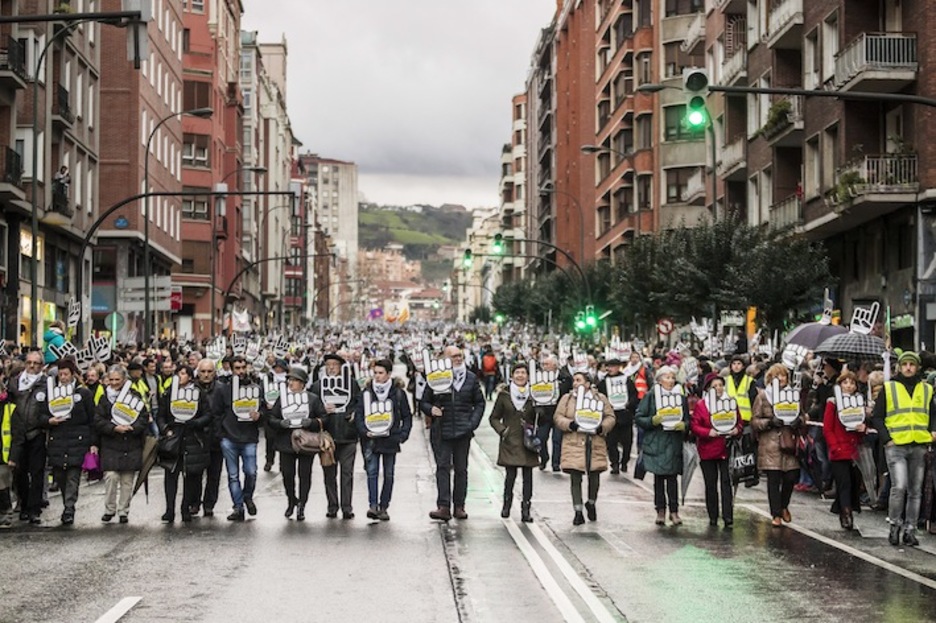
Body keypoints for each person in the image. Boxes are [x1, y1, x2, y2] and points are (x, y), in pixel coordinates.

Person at [871, 351, 936, 546]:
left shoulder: (926, 389)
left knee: (916, 490)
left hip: (918, 445)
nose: (908, 367)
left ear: (917, 367)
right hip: (896, 445)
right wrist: (887, 439)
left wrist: (933, 430)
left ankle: (910, 530)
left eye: (912, 364)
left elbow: (932, 413)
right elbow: (877, 416)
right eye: (905, 364)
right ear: (899, 366)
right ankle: (895, 526)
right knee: (900, 487)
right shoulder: (889, 388)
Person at [421, 345, 485, 521]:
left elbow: (480, 403)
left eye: (460, 356)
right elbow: (424, 402)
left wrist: (472, 423)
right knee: (442, 468)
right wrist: (431, 409)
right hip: (442, 430)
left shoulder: (471, 378)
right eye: (454, 356)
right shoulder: (436, 378)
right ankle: (443, 506)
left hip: (463, 431)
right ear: (445, 359)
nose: (458, 358)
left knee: (461, 469)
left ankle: (459, 506)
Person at [38, 359, 96, 525]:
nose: (62, 377)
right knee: (60, 475)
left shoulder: (83, 393)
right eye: (60, 374)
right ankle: (66, 501)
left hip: (78, 440)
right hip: (57, 440)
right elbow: (41, 416)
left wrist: (92, 442)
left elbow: (92, 419)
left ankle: (69, 508)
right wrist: (50, 421)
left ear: (73, 375)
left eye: (66, 374)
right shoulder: (51, 393)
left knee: (73, 475)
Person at [555, 371, 615, 525]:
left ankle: (591, 502)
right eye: (574, 380)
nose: (575, 383)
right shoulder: (567, 399)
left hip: (594, 442)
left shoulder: (600, 399)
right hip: (574, 441)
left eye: (579, 380)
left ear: (588, 384)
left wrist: (602, 427)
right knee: (575, 476)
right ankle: (578, 510)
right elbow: (558, 417)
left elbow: (610, 416)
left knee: (594, 475)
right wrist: (570, 424)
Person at [355, 359, 412, 521]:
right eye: (375, 373)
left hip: (391, 440)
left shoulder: (398, 393)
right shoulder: (366, 393)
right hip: (371, 440)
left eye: (381, 373)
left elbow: (407, 416)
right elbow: (359, 415)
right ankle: (373, 505)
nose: (377, 376)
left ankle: (384, 506)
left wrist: (402, 435)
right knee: (372, 472)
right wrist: (365, 432)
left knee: (389, 474)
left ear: (388, 374)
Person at [267, 366, 327, 521]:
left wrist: (311, 422)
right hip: (286, 442)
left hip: (306, 443)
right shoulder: (283, 399)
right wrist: (281, 423)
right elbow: (271, 418)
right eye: (290, 380)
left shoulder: (313, 399)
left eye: (295, 380)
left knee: (304, 474)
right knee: (287, 474)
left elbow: (324, 418)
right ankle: (291, 500)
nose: (291, 383)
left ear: (303, 384)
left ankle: (302, 505)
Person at [210, 355, 263, 521]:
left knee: (251, 472)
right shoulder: (223, 390)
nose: (240, 372)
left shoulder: (256, 388)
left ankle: (247, 496)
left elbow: (265, 412)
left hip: (249, 438)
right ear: (231, 369)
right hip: (229, 438)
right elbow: (216, 413)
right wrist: (221, 435)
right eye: (237, 368)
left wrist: (259, 416)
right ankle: (238, 507)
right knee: (233, 475)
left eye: (242, 368)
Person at [156, 365, 211, 523]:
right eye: (178, 373)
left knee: (191, 477)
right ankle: (169, 510)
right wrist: (165, 429)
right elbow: (161, 415)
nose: (180, 376)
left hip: (192, 438)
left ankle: (185, 507)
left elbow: (208, 415)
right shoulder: (168, 393)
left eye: (183, 374)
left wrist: (196, 423)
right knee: (170, 476)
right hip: (173, 439)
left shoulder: (198, 393)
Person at [636, 365, 689, 526]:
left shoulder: (680, 397)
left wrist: (684, 426)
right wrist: (652, 421)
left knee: (672, 478)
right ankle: (660, 510)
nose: (671, 381)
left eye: (673, 377)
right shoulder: (651, 396)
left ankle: (674, 511)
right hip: (657, 442)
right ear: (659, 380)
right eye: (667, 377)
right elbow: (639, 417)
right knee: (659, 478)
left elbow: (687, 419)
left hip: (673, 442)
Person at [752, 363, 804, 527]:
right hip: (771, 442)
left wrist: (798, 421)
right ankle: (776, 513)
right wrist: (769, 422)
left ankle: (783, 505)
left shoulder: (793, 396)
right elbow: (755, 420)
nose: (781, 379)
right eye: (777, 376)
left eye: (783, 375)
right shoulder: (763, 396)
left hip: (789, 440)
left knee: (790, 476)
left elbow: (803, 416)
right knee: (773, 479)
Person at [94, 365, 147, 524]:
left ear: (124, 380)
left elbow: (143, 417)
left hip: (130, 443)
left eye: (117, 380)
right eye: (111, 380)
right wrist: (113, 428)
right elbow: (97, 420)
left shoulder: (135, 396)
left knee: (127, 480)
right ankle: (109, 509)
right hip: (111, 443)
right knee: (111, 477)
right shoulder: (103, 398)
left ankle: (123, 511)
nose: (114, 383)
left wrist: (133, 427)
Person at [313, 353, 361, 519]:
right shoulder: (318, 386)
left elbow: (360, 404)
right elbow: (311, 408)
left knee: (347, 474)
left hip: (348, 436)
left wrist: (353, 415)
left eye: (334, 364)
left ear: (341, 367)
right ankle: (332, 506)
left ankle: (347, 507)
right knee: (329, 474)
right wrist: (322, 412)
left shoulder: (351, 384)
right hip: (327, 437)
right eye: (328, 364)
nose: (331, 367)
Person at [690, 373, 741, 528]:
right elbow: (695, 425)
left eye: (720, 385)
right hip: (708, 449)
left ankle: (728, 517)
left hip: (725, 448)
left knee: (726, 483)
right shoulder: (702, 405)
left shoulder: (730, 402)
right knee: (710, 484)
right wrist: (707, 432)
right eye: (714, 386)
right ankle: (713, 516)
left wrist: (735, 430)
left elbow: (739, 422)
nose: (718, 389)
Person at [489, 363, 538, 522]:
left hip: (528, 440)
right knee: (510, 476)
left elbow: (542, 419)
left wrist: (541, 412)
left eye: (523, 373)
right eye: (517, 373)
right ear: (512, 376)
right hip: (510, 440)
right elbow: (494, 417)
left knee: (528, 477)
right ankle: (506, 506)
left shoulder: (535, 394)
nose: (520, 376)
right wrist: (503, 431)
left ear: (528, 376)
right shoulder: (504, 395)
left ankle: (526, 510)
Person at [823, 370, 867, 531]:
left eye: (852, 383)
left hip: (855, 449)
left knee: (855, 482)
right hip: (839, 449)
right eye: (845, 383)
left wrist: (863, 428)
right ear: (840, 385)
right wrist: (834, 446)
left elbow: (862, 426)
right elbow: (827, 428)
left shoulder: (859, 402)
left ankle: (842, 507)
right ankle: (847, 513)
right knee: (844, 483)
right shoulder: (833, 403)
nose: (848, 386)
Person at [9, 351, 47, 524]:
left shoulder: (46, 383)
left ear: (41, 366)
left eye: (36, 363)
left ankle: (34, 509)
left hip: (37, 433)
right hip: (18, 434)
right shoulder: (15, 383)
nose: (32, 366)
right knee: (19, 473)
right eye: (30, 362)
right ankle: (23, 505)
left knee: (37, 472)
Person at [598, 359, 639, 475]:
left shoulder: (627, 380)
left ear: (618, 367)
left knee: (627, 442)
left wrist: (629, 404)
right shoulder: (603, 382)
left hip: (625, 416)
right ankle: (614, 463)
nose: (610, 369)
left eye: (612, 366)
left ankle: (624, 462)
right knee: (611, 442)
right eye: (608, 366)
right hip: (610, 416)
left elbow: (634, 395)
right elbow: (599, 396)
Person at [194, 358, 223, 517]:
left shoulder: (221, 389)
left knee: (214, 474)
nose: (206, 375)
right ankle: (194, 502)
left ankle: (209, 504)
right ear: (198, 373)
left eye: (209, 371)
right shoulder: (191, 389)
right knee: (195, 473)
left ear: (214, 373)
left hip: (215, 438)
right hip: (197, 438)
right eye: (203, 371)